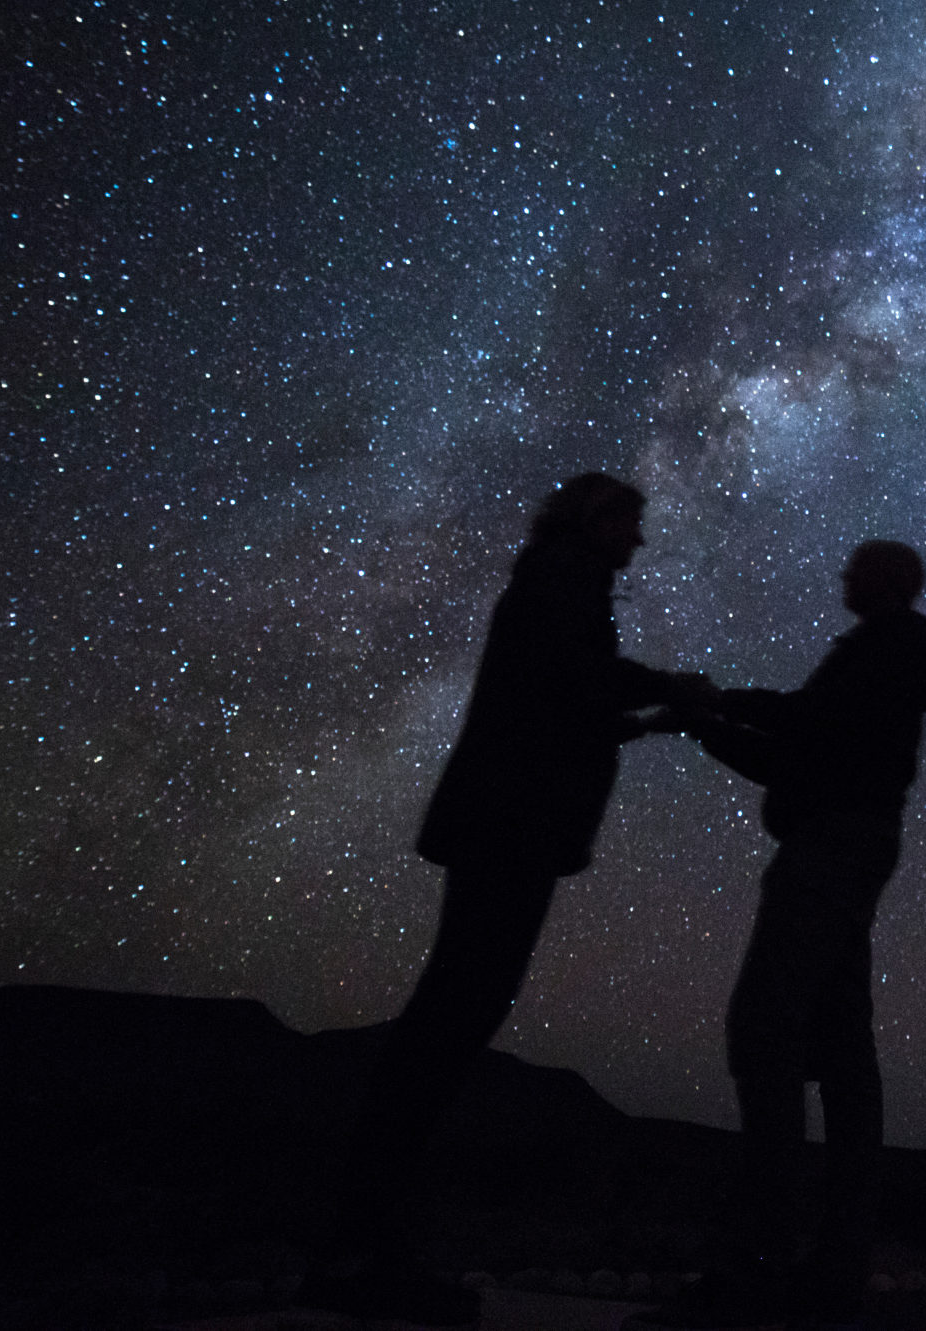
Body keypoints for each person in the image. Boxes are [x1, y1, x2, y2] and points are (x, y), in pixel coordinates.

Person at [305, 474, 708, 1328]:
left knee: (452, 1018)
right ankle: (359, 1249)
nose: (638, 541)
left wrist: (650, 714)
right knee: (451, 1019)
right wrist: (666, 686)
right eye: (629, 522)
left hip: (507, 819)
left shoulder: (557, 579)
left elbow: (561, 698)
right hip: (511, 822)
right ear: (593, 521)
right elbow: (575, 681)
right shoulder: (564, 577)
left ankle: (363, 1241)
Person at [644, 540, 926, 1330]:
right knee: (846, 1060)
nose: (840, 575)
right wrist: (715, 720)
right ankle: (830, 1276)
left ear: (886, 581)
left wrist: (714, 710)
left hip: (827, 850)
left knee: (765, 1034)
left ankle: (758, 1265)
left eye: (855, 567)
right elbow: (804, 748)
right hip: (850, 846)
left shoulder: (880, 653)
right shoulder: (890, 662)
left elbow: (805, 739)